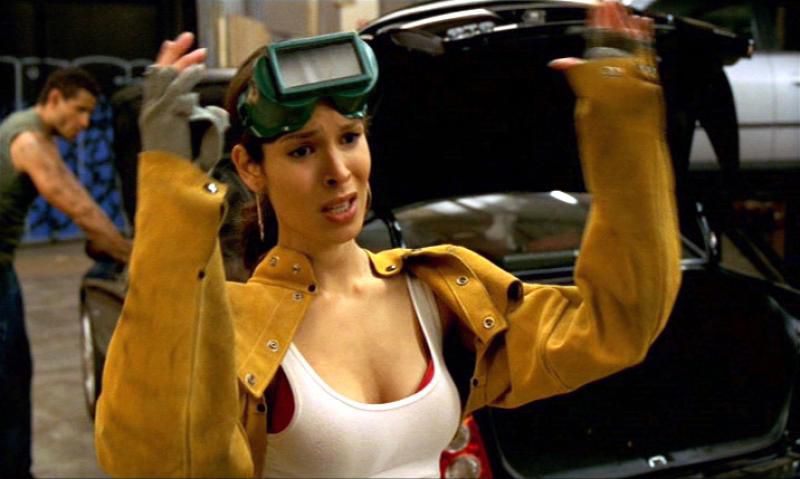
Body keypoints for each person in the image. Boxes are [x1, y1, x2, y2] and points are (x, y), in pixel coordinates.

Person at [94, 1, 681, 477]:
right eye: (301, 150)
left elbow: (615, 323)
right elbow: (154, 461)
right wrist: (172, 195)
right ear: (250, 168)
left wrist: (621, 113)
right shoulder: (233, 326)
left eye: (349, 137)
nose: (338, 171)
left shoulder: (442, 291)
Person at [0, 67, 131, 477]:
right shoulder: (28, 140)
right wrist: (131, 255)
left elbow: (77, 193)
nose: (85, 122)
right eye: (79, 110)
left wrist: (115, 242)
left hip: (4, 271)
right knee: (8, 381)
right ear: (54, 99)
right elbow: (75, 205)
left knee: (14, 373)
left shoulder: (33, 131)